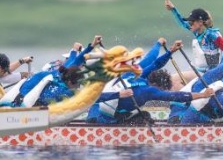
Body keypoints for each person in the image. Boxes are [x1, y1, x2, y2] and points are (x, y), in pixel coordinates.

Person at [86, 39, 215, 124]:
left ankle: (95, 119)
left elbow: (155, 63)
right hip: (104, 119)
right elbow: (176, 96)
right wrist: (202, 95)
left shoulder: (137, 74)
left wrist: (168, 50)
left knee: (140, 114)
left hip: (95, 108)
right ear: (158, 87)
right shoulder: (149, 92)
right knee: (146, 117)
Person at [0, 36, 103, 108]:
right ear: (70, 82)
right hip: (27, 99)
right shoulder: (62, 88)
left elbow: (77, 58)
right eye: (77, 85)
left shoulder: (67, 68)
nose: (77, 86)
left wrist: (91, 45)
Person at [164, 0, 223, 72]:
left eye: (191, 22)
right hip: (205, 71)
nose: (189, 25)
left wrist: (220, 69)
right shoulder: (196, 32)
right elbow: (182, 22)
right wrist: (173, 9)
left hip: (215, 72)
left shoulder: (212, 35)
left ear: (200, 22)